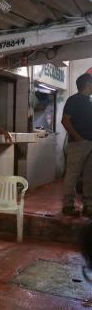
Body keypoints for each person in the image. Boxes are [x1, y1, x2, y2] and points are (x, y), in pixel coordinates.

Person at [61, 73, 92, 217]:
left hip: (90, 143)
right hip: (78, 144)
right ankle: (68, 205)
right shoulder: (73, 100)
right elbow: (65, 120)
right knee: (72, 174)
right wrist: (78, 137)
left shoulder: (89, 101)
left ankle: (88, 205)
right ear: (87, 84)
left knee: (89, 175)